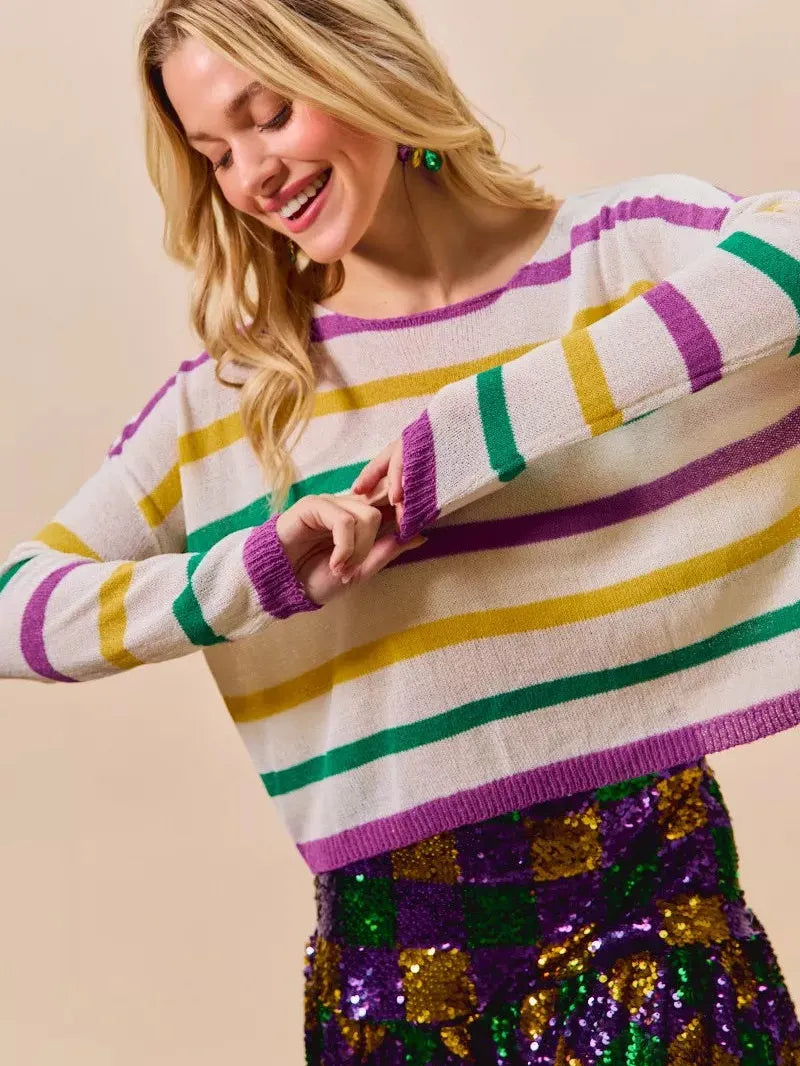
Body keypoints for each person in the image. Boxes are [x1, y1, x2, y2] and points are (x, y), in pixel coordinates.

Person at [2, 0, 800, 1061]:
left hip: (662, 953)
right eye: (216, 155)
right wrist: (249, 577)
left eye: (269, 115)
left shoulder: (612, 254)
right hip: (398, 1002)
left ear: (362, 66)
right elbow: (13, 607)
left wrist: (481, 429)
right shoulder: (237, 401)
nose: (253, 175)